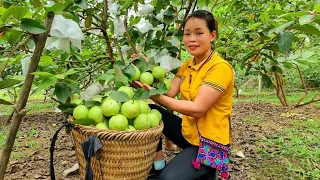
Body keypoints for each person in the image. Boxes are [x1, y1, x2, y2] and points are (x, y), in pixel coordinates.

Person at [132, 9, 234, 180]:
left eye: (199, 33)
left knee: (168, 179)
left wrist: (157, 96)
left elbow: (197, 109)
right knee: (151, 111)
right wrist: (147, 69)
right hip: (189, 134)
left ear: (212, 35)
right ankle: (158, 165)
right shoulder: (188, 64)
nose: (191, 39)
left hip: (213, 146)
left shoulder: (220, 68)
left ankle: (210, 172)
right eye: (187, 34)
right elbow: (170, 92)